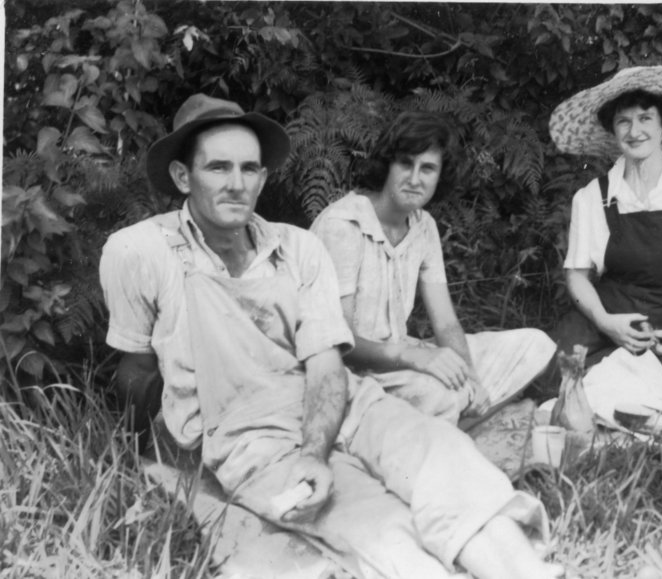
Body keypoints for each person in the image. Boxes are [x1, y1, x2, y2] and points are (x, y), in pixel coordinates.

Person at [100, 93, 564, 579]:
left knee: (441, 453)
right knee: (372, 518)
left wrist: (314, 451)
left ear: (262, 176)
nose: (237, 184)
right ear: (181, 176)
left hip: (346, 398)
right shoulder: (140, 252)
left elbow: (326, 363)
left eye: (249, 169)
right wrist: (147, 457)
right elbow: (135, 371)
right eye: (218, 168)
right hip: (249, 435)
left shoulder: (297, 248)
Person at [309, 111, 557, 424]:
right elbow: (337, 342)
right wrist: (416, 358)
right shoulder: (343, 225)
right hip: (352, 374)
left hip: (402, 357)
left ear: (440, 176)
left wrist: (472, 379)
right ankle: (454, 422)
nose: (414, 179)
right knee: (441, 394)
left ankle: (457, 417)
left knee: (535, 345)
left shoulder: (423, 225)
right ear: (387, 164)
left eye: (427, 168)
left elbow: (446, 323)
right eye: (405, 163)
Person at [544, 66, 662, 389]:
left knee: (629, 386)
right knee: (555, 372)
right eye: (623, 121)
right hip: (602, 318)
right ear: (612, 131)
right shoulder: (592, 197)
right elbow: (576, 275)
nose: (634, 131)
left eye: (645, 118)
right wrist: (606, 322)